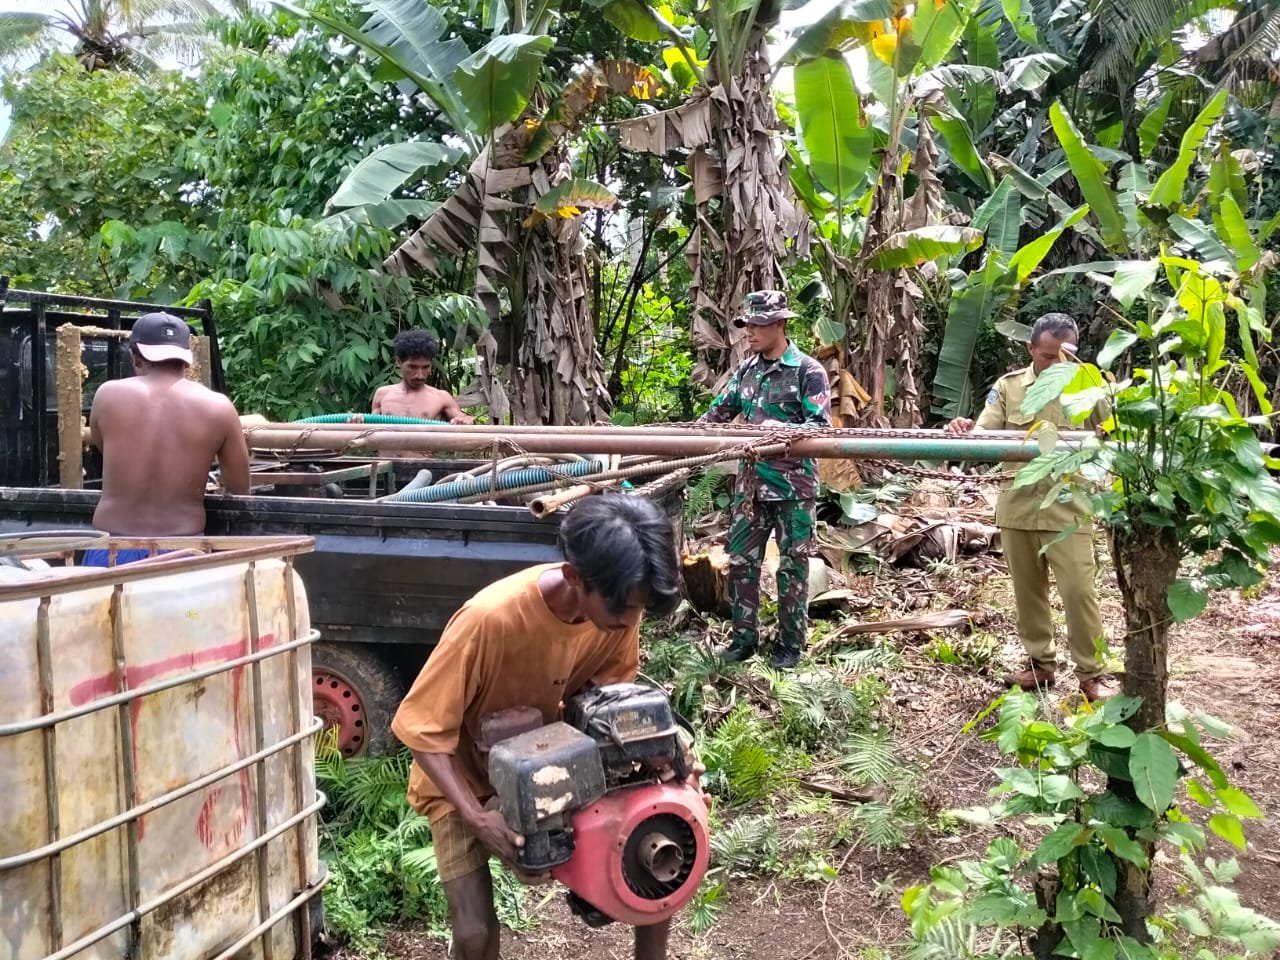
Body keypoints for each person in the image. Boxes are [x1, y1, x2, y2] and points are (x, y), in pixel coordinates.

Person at [391, 495, 687, 960]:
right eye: (623, 608)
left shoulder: (616, 615)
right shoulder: (489, 620)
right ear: (574, 577)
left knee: (657, 858)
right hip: (463, 780)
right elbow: (422, 731)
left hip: (554, 765)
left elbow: (607, 704)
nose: (632, 621)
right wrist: (478, 819)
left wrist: (666, 761)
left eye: (639, 608)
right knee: (474, 934)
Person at [944, 312, 1119, 701]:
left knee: (1079, 592)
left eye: (1064, 357)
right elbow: (984, 433)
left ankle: (1092, 673)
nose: (1056, 365)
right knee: (1028, 593)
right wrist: (963, 429)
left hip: (1070, 509)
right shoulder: (1009, 387)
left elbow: (1114, 434)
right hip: (1018, 507)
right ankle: (1040, 664)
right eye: (1047, 356)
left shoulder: (1090, 387)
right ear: (1030, 349)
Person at [699, 290, 831, 669]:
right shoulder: (746, 371)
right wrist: (682, 439)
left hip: (793, 490)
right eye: (747, 325)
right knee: (741, 563)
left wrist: (785, 430)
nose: (750, 332)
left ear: (780, 325)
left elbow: (820, 427)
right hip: (751, 489)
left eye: (758, 325)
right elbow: (715, 415)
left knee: (792, 567)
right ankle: (743, 640)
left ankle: (790, 646)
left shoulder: (808, 371)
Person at [86, 312, 251, 563]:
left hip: (112, 550)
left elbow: (102, 445)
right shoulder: (219, 406)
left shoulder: (107, 395)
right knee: (187, 596)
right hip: (182, 553)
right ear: (187, 361)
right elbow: (239, 490)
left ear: (136, 357)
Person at [371, 330, 475, 424]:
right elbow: (370, 430)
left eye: (425, 367)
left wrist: (467, 420)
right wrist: (360, 420)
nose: (420, 375)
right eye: (412, 367)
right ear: (398, 362)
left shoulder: (442, 397)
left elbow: (463, 422)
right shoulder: (382, 394)